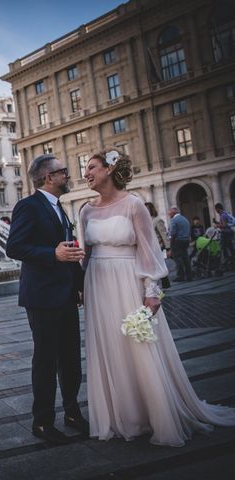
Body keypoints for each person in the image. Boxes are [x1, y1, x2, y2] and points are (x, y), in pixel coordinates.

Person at [80, 149, 235, 447]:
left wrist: (152, 291)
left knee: (137, 345)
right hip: (97, 283)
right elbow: (85, 254)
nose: (86, 174)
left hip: (128, 280)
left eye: (91, 168)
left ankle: (153, 413)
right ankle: (123, 416)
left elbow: (148, 250)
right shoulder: (85, 210)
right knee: (108, 345)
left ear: (110, 170)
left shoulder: (133, 204)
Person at [6, 154, 88, 445]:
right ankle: (42, 422)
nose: (67, 175)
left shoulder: (59, 208)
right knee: (45, 361)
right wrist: (51, 254)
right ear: (47, 177)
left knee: (70, 360)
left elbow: (68, 250)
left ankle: (72, 413)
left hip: (65, 294)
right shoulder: (28, 206)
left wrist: (79, 284)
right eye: (63, 172)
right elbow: (14, 247)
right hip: (41, 297)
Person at [144, 202, 171, 289]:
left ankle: (165, 283)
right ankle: (161, 283)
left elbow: (163, 234)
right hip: (149, 247)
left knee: (159, 264)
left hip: (157, 246)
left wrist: (168, 248)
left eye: (147, 209)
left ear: (151, 209)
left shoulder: (157, 220)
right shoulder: (146, 220)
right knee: (156, 265)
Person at [168, 206, 193, 281]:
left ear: (174, 212)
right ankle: (189, 275)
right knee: (186, 258)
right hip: (186, 240)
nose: (169, 214)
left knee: (178, 259)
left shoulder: (174, 220)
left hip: (177, 241)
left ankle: (181, 276)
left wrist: (171, 244)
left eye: (170, 212)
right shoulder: (184, 219)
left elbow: (173, 233)